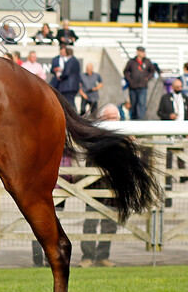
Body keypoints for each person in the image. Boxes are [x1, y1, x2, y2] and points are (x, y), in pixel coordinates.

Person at [76, 103, 121, 268]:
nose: (111, 121)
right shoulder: (94, 135)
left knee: (110, 223)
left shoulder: (123, 137)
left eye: (114, 118)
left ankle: (103, 255)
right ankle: (87, 256)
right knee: (91, 223)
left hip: (113, 187)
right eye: (108, 118)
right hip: (94, 186)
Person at [123, 46, 155, 120]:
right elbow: (126, 71)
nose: (143, 53)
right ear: (138, 52)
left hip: (143, 86)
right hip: (133, 87)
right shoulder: (131, 62)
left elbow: (152, 71)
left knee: (141, 103)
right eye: (142, 52)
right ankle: (134, 118)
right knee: (133, 103)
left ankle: (141, 119)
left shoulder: (147, 61)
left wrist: (147, 78)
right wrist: (130, 80)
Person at [50, 46, 80, 111]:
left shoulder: (70, 61)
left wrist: (60, 77)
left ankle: (74, 118)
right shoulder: (74, 60)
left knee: (70, 103)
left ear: (66, 53)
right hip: (70, 86)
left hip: (68, 87)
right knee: (69, 102)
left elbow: (66, 73)